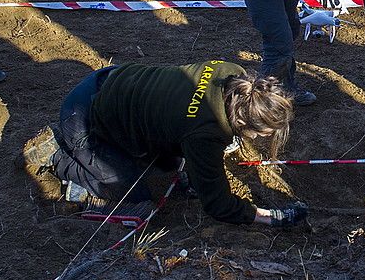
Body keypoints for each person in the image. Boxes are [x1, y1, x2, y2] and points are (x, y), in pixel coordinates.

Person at [29, 61, 308, 227]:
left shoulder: (232, 73)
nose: (261, 139)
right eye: (261, 133)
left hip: (113, 80)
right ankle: (57, 156)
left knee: (172, 164)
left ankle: (117, 149)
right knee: (133, 194)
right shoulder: (204, 134)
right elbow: (218, 205)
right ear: (244, 121)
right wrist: (271, 217)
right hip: (84, 117)